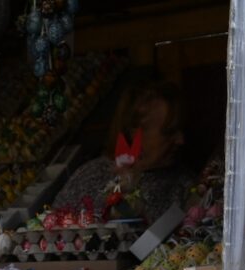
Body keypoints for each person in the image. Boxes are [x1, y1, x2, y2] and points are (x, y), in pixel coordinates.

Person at [52, 79, 193, 224]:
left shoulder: (184, 188)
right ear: (134, 132)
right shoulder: (89, 177)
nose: (180, 140)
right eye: (169, 132)